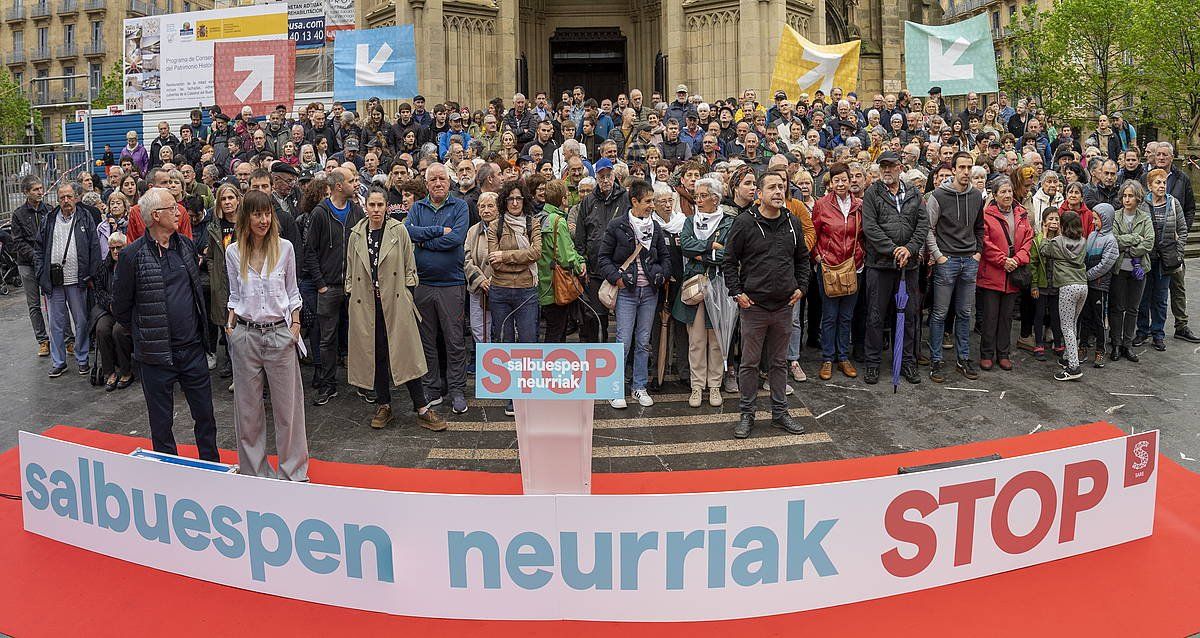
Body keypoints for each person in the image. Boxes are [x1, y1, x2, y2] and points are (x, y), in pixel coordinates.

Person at [112, 187, 218, 461]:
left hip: (192, 349)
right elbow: (121, 308)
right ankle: (167, 476)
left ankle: (211, 467)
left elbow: (195, 292)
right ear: (156, 215)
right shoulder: (131, 256)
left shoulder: (185, 245)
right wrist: (143, 334)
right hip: (156, 356)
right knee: (161, 424)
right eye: (172, 207)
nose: (179, 211)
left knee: (205, 416)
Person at [223, 190, 309, 480]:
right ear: (245, 217)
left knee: (289, 412)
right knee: (248, 415)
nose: (263, 220)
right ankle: (254, 476)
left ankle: (294, 475)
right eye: (256, 214)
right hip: (245, 335)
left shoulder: (285, 248)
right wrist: (231, 326)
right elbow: (234, 295)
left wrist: (295, 327)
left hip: (279, 335)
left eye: (267, 213)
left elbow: (293, 291)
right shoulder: (233, 252)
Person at [347, 187, 447, 432]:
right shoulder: (356, 234)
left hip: (396, 302)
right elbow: (350, 269)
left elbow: (409, 268)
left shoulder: (398, 230)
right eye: (372, 205)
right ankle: (384, 404)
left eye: (380, 205)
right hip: (367, 305)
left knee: (405, 354)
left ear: (386, 207)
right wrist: (351, 291)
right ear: (365, 206)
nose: (376, 210)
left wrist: (407, 295)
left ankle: (422, 407)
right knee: (377, 353)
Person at [723, 171, 810, 439]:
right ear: (759, 193)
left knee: (778, 363)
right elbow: (729, 261)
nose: (778, 192)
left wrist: (801, 287)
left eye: (781, 187)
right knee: (749, 364)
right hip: (754, 306)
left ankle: (779, 413)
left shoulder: (793, 222)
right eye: (771, 187)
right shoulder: (744, 223)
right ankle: (747, 414)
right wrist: (737, 292)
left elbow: (802, 260)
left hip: (784, 305)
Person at [599, 179, 671, 409]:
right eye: (648, 201)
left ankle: (639, 387)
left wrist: (660, 274)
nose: (652, 205)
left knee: (643, 342)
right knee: (623, 341)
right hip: (627, 292)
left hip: (649, 292)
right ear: (634, 201)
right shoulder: (617, 226)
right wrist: (617, 279)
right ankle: (615, 388)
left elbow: (665, 258)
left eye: (653, 201)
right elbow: (603, 259)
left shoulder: (656, 228)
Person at [405, 163, 470, 415]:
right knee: (426, 340)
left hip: (451, 284)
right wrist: (434, 232)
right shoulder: (417, 207)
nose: (438, 183)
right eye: (433, 179)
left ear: (449, 181)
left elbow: (456, 238)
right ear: (426, 183)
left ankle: (456, 389)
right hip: (422, 284)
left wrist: (424, 241)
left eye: (442, 178)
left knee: (454, 340)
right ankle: (432, 388)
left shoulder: (460, 206)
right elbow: (408, 232)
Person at [860, 151, 928, 384]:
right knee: (876, 316)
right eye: (883, 167)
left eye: (891, 166)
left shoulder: (913, 193)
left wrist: (908, 249)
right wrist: (893, 249)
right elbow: (870, 228)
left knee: (909, 316)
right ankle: (873, 363)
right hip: (879, 265)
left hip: (908, 266)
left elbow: (922, 224)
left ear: (900, 168)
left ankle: (907, 362)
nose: (887, 171)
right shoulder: (872, 193)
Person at [303, 166, 364, 406]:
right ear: (339, 186)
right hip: (328, 287)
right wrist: (320, 284)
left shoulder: (357, 211)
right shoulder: (319, 213)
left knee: (359, 337)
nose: (356, 183)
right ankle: (328, 385)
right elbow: (310, 253)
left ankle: (362, 384)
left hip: (354, 287)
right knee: (327, 340)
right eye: (352, 180)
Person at [925, 151, 984, 381]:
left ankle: (963, 357)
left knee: (964, 312)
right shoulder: (938, 196)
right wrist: (939, 256)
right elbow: (929, 229)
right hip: (947, 261)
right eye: (962, 167)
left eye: (970, 167)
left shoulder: (977, 196)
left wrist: (978, 253)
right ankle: (936, 361)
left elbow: (980, 227)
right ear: (954, 169)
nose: (966, 172)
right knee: (939, 314)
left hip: (969, 260)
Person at [677, 176, 734, 407]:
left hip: (719, 286)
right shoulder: (690, 221)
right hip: (694, 286)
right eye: (696, 196)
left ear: (715, 198)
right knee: (697, 339)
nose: (698, 200)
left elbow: (728, 255)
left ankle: (714, 386)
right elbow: (685, 244)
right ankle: (697, 386)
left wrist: (700, 254)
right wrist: (710, 247)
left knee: (717, 339)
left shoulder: (728, 222)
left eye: (702, 196)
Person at [38, 183, 100, 377]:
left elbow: (94, 247)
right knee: (56, 323)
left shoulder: (85, 217)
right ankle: (59, 361)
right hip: (53, 281)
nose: (66, 200)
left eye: (69, 197)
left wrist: (91, 274)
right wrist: (40, 273)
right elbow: (38, 248)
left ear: (75, 198)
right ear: (57, 199)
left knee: (81, 320)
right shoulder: (48, 219)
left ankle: (82, 358)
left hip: (78, 279)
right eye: (62, 197)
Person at [809, 162, 863, 381]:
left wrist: (861, 255)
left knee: (846, 316)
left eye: (844, 179)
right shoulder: (821, 205)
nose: (840, 184)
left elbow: (865, 234)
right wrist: (818, 257)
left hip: (853, 266)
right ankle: (828, 358)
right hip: (829, 266)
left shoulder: (859, 204)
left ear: (850, 181)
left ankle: (843, 357)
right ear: (830, 183)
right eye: (836, 180)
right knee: (830, 316)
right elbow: (813, 234)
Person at [977, 177, 1033, 370]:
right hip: (993, 274)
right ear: (994, 195)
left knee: (1007, 317)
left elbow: (1028, 240)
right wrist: (1003, 261)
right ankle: (986, 353)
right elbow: (985, 243)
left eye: (1009, 191)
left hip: (1013, 273)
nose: (1007, 195)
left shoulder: (1021, 214)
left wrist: (1017, 260)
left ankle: (1003, 353)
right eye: (1003, 192)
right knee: (990, 316)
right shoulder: (986, 215)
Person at [574, 158, 630, 343]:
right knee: (598, 317)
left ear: (614, 175)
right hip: (596, 270)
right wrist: (582, 260)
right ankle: (600, 357)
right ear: (596, 177)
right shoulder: (588, 202)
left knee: (625, 320)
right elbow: (580, 237)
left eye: (609, 175)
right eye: (601, 176)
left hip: (622, 268)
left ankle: (623, 361)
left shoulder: (626, 198)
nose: (606, 180)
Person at [1134, 168, 1189, 352]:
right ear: (1149, 186)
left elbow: (1182, 229)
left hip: (1166, 259)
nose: (1162, 186)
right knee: (1143, 297)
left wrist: (1178, 252)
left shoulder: (1173, 204)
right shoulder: (1142, 205)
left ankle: (1158, 334)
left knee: (1161, 298)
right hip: (1146, 257)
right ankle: (1142, 331)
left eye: (1164, 182)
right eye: (1157, 182)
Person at [487, 179, 543, 344]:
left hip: (526, 290)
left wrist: (504, 256)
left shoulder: (533, 224)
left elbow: (537, 253)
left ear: (525, 200)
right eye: (510, 199)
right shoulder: (495, 226)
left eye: (519, 198)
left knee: (528, 340)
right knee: (503, 340)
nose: (515, 202)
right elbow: (493, 261)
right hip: (499, 290)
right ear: (504, 201)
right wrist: (524, 259)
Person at [1108, 180, 1154, 363]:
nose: (1127, 199)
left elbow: (1149, 242)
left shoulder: (1144, 217)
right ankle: (1116, 343)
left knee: (1133, 308)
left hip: (1139, 270)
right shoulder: (1116, 216)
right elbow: (1114, 241)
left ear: (1138, 198)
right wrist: (1135, 238)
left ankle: (1127, 343)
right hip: (1119, 269)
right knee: (1117, 307)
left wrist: (1130, 249)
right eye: (1125, 196)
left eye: (1131, 196)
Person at [1042, 210, 1088, 381]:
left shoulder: (1057, 242)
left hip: (1067, 287)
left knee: (1066, 326)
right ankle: (1069, 356)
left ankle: (1074, 367)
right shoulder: (1083, 242)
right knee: (1073, 323)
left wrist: (1046, 234)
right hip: (1083, 286)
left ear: (1062, 226)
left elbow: (1044, 250)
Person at [538, 179, 586, 343]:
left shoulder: (540, 217)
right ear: (563, 200)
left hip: (544, 282)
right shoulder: (558, 221)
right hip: (557, 285)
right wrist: (580, 267)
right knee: (557, 331)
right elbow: (567, 258)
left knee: (553, 327)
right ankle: (553, 365)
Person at [11, 175, 51, 356]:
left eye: (41, 188)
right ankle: (42, 340)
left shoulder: (49, 210)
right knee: (34, 304)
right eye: (35, 189)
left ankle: (66, 339)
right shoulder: (18, 214)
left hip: (47, 263)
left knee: (54, 302)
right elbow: (18, 242)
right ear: (26, 192)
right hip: (27, 264)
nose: (40, 192)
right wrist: (36, 257)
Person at [91, 231, 134, 390]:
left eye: (119, 247)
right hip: (109, 309)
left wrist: (121, 306)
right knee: (101, 328)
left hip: (127, 311)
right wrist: (110, 304)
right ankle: (109, 372)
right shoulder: (104, 266)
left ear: (126, 246)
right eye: (112, 248)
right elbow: (99, 290)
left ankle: (126, 371)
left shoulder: (132, 264)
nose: (116, 251)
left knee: (118, 331)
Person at [1080, 203, 1119, 368]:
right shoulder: (1092, 235)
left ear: (1105, 219)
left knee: (1100, 319)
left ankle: (1100, 350)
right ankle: (1082, 346)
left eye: (1096, 219)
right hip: (1087, 284)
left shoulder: (1111, 240)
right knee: (1085, 316)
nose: (1094, 222)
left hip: (1099, 286)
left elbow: (1104, 265)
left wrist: (1086, 276)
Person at [1029, 209, 1064, 361]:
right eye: (1050, 219)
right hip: (1042, 285)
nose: (1054, 222)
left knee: (1056, 315)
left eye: (1057, 219)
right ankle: (1038, 343)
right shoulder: (1037, 240)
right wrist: (1034, 285)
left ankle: (1058, 343)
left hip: (1056, 285)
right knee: (1039, 314)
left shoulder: (1062, 240)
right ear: (1043, 222)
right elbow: (1033, 264)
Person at [464, 191, 497, 347]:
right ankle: (485, 362)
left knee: (501, 327)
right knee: (478, 328)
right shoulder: (472, 231)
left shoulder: (506, 228)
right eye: (482, 206)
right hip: (478, 288)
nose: (486, 210)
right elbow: (466, 259)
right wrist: (481, 280)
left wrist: (493, 280)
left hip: (501, 287)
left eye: (490, 206)